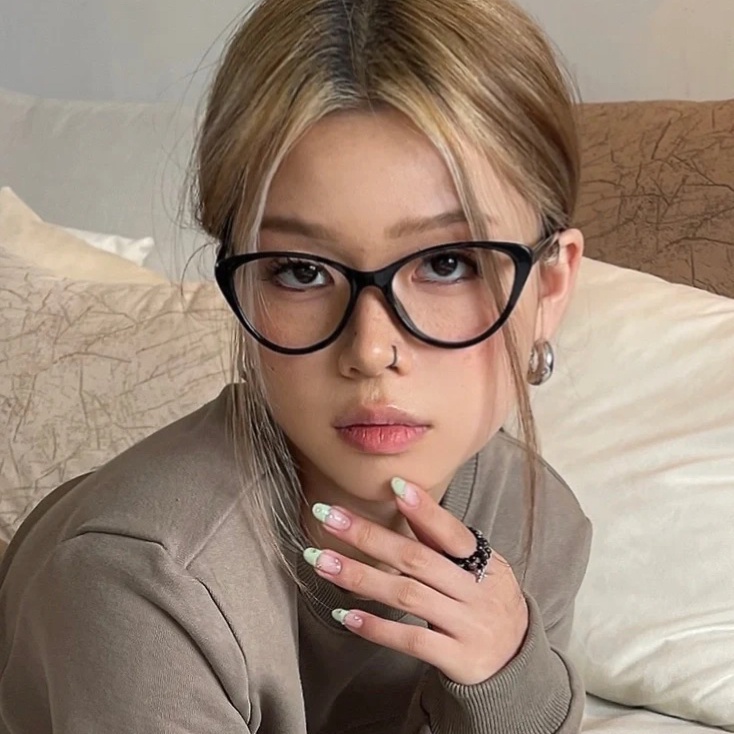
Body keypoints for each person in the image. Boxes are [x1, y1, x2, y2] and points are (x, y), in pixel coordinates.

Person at [0, 0, 593, 731]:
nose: (371, 349)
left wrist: (509, 677)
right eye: (302, 271)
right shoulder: (142, 580)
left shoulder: (538, 523)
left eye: (446, 263)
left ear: (552, 285)